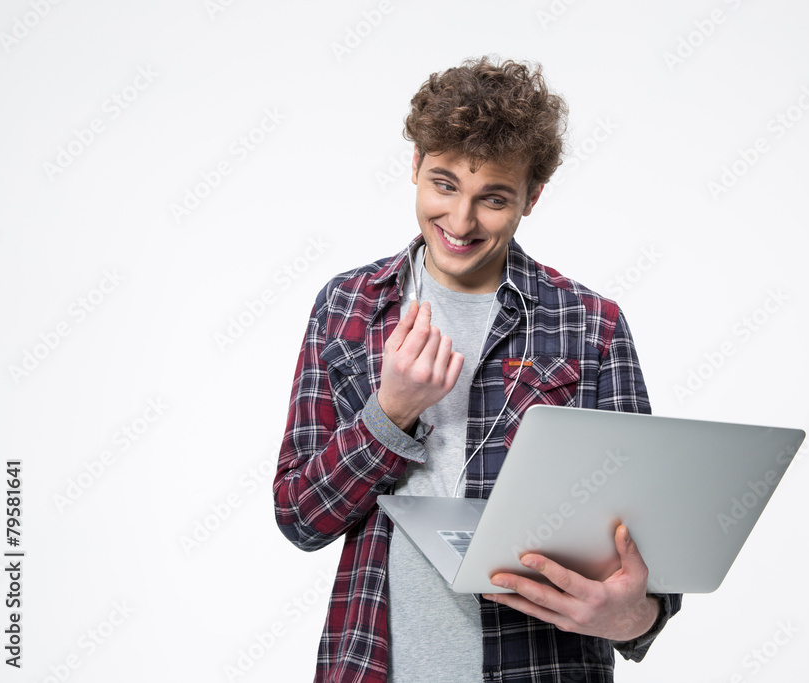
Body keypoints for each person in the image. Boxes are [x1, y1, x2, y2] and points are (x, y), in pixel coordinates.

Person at [273, 55, 682, 683]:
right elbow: (301, 517)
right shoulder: (347, 306)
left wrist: (636, 618)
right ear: (415, 165)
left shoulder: (589, 324)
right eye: (443, 185)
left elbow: (645, 542)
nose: (461, 222)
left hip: (543, 666)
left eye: (492, 198)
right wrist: (391, 413)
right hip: (373, 665)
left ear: (532, 197)